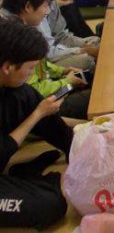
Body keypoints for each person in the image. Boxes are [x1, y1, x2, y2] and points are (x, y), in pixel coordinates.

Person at [0, 20, 73, 230]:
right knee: (50, 205)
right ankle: (25, 181)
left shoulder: (11, 84)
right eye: (30, 68)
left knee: (26, 95)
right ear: (7, 67)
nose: (32, 73)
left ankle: (74, 149)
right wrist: (37, 114)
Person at [0, 0, 90, 119]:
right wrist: (67, 82)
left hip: (43, 89)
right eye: (45, 5)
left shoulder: (20, 25)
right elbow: (31, 89)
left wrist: (63, 71)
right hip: (36, 107)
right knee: (90, 95)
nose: (48, 11)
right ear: (28, 7)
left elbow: (39, 64)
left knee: (87, 80)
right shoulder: (15, 37)